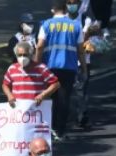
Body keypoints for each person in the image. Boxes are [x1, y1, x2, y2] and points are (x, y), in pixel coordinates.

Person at [36, 0, 86, 140]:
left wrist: (36, 65)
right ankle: (60, 130)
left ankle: (48, 129)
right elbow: (81, 51)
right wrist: (84, 68)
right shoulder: (76, 25)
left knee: (49, 98)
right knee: (64, 100)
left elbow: (39, 46)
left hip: (49, 68)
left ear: (53, 9)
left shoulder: (45, 24)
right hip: (68, 67)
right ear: (66, 9)